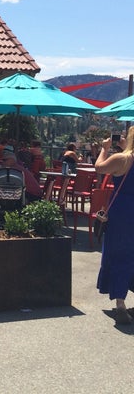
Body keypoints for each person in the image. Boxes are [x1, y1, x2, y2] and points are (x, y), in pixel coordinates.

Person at [94, 128, 134, 325]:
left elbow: (99, 168)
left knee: (120, 254)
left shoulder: (122, 159)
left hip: (123, 212)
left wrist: (104, 148)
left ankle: (120, 304)